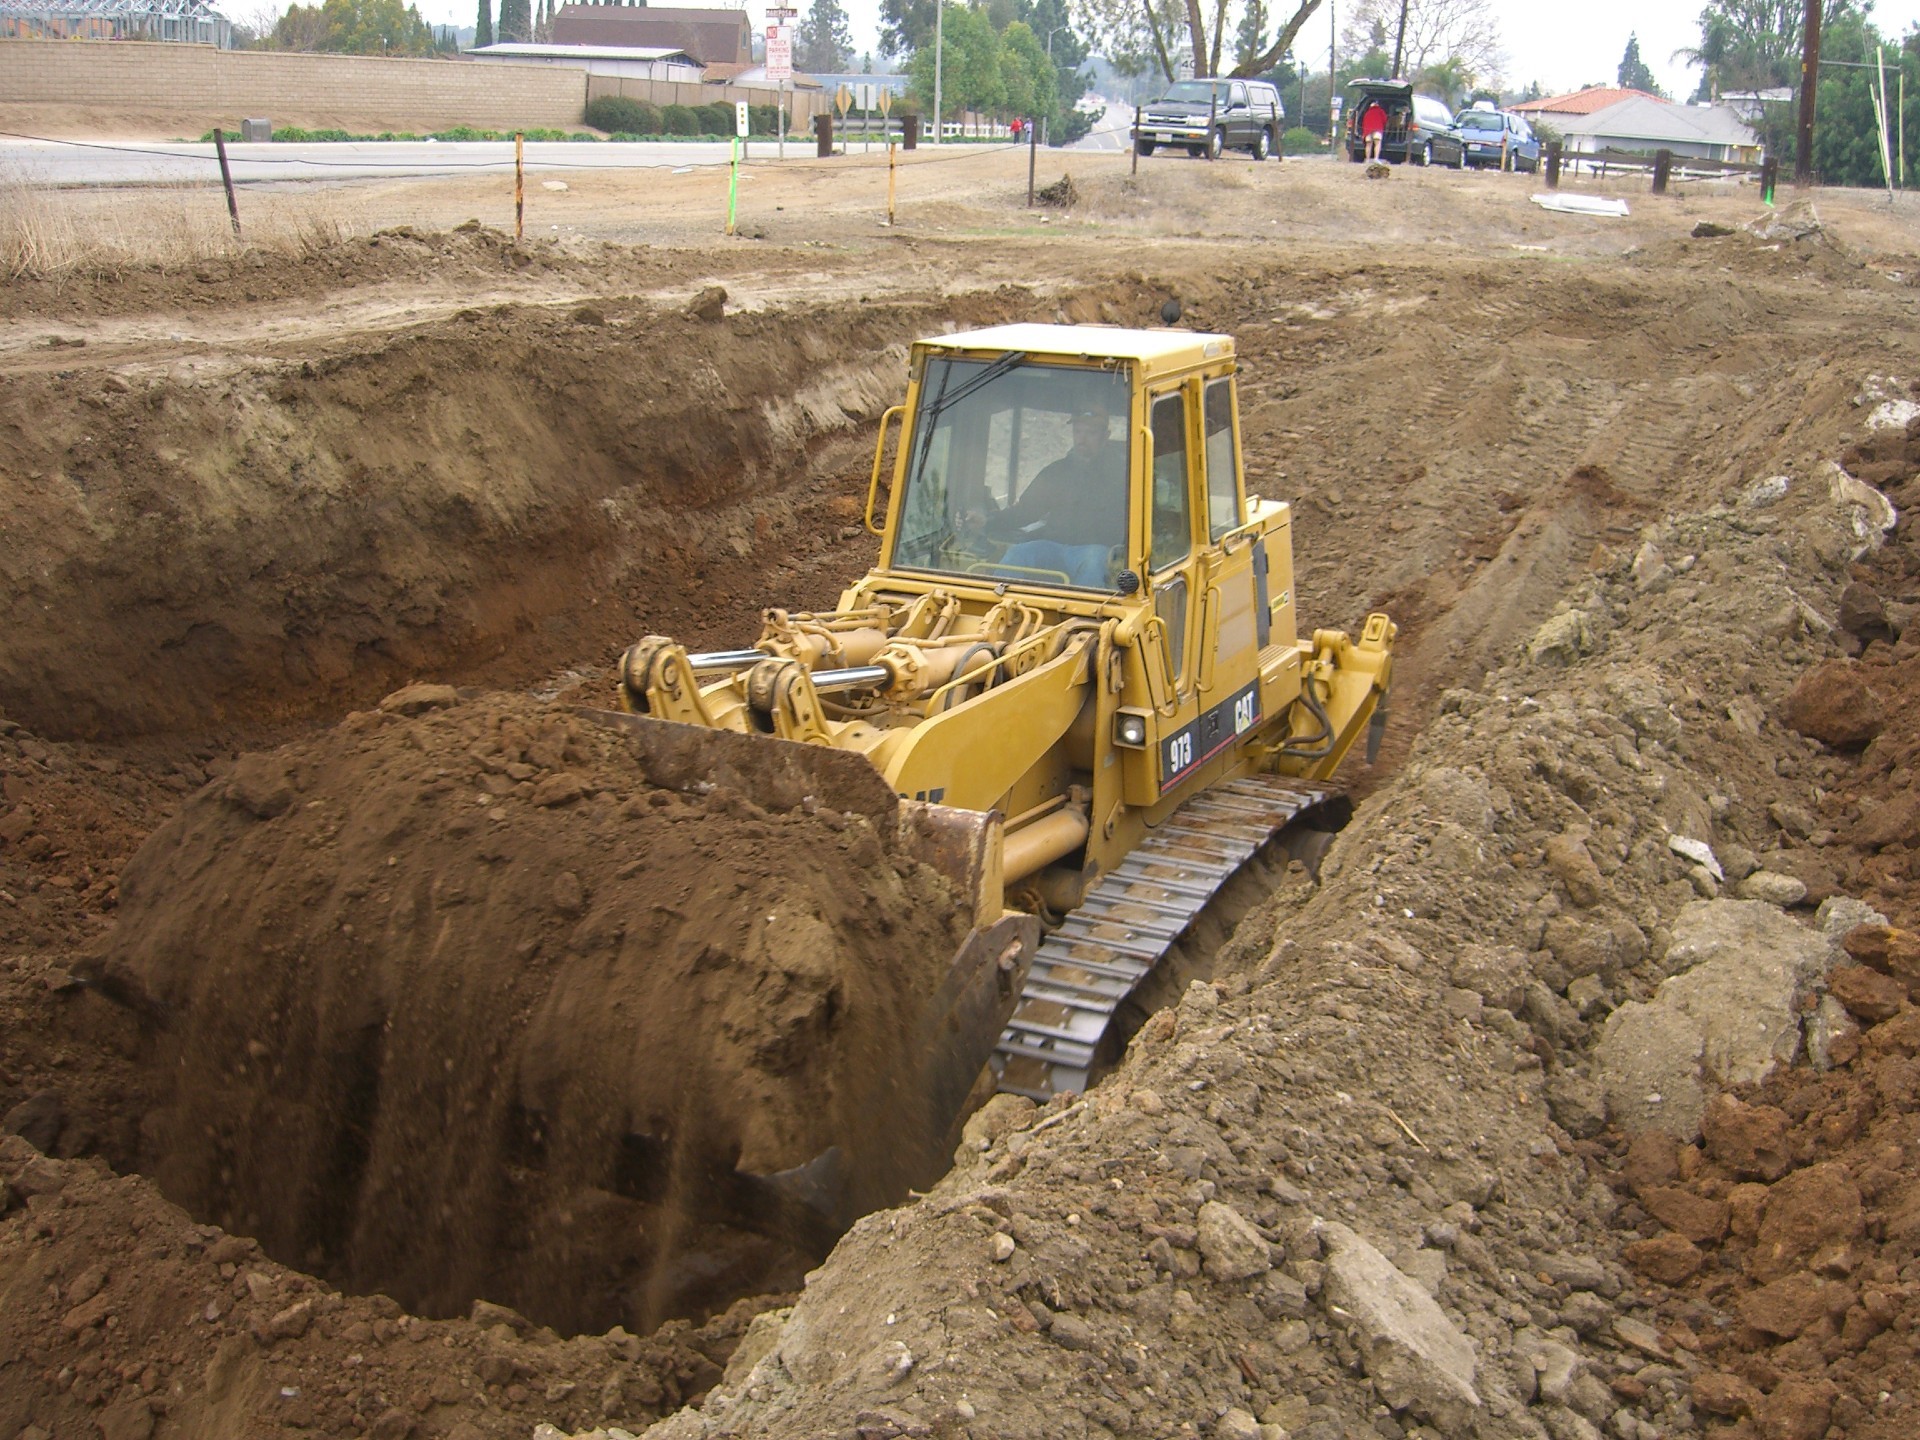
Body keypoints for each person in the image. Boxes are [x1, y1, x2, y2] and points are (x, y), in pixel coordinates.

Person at [990, 409, 1127, 587]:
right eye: (1078, 431)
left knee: (1094, 561)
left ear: (1105, 436)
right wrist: (989, 522)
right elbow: (1026, 510)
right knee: (1018, 553)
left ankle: (1085, 613)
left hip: (1096, 548)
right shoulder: (1057, 471)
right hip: (1053, 546)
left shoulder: (1122, 475)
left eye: (1090, 433)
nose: (1082, 439)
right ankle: (998, 604)